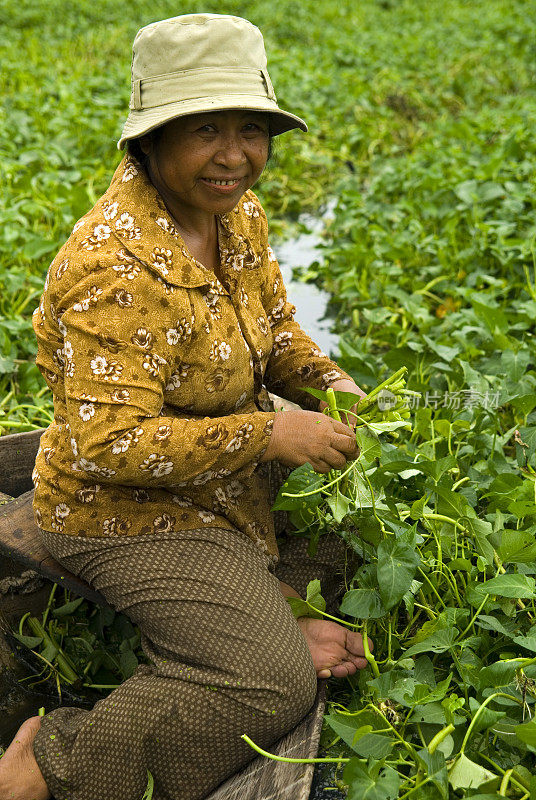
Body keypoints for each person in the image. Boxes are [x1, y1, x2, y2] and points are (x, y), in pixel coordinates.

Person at [0, 13, 372, 800]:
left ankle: (263, 615)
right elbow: (112, 444)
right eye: (205, 129)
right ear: (151, 141)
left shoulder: (235, 216)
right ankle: (50, 760)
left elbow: (275, 334)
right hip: (121, 509)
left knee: (357, 539)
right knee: (271, 687)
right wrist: (271, 431)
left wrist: (327, 383)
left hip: (219, 484)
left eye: (251, 129)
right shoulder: (115, 265)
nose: (235, 155)